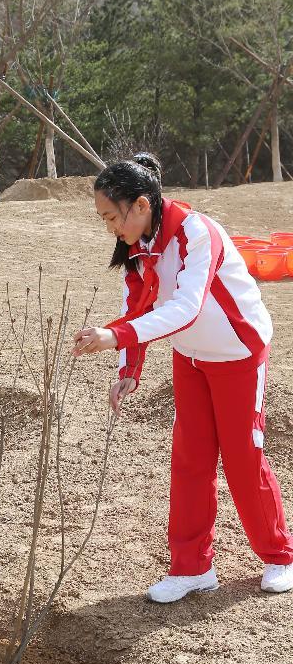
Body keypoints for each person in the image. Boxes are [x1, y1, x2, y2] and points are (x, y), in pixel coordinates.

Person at [73, 152, 293, 603]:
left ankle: (280, 556)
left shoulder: (197, 232)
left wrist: (114, 337)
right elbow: (137, 307)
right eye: (104, 219)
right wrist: (128, 368)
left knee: (242, 457)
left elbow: (186, 307)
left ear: (140, 205)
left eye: (112, 216)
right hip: (191, 356)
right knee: (190, 460)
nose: (110, 227)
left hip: (237, 353)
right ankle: (192, 567)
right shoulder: (137, 247)